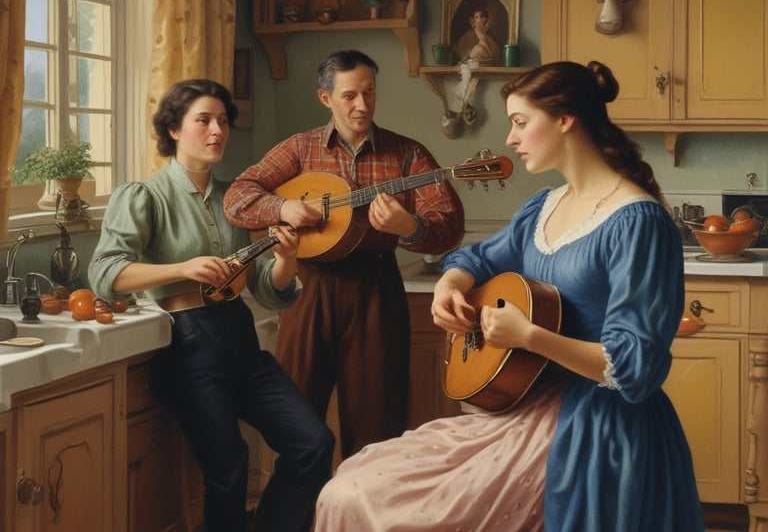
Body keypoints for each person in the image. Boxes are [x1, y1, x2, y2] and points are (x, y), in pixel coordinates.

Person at [314, 61, 705, 531]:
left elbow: (634, 368)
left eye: (520, 122)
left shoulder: (639, 223)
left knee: (383, 504)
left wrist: (529, 336)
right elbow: (477, 259)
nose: (510, 139)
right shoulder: (544, 206)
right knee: (349, 489)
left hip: (599, 428)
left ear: (565, 120)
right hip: (529, 406)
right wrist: (450, 285)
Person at [88, 79, 334, 532]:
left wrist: (286, 259)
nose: (217, 131)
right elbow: (105, 273)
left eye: (222, 121)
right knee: (229, 467)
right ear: (174, 129)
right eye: (203, 120)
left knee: (313, 442)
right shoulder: (144, 196)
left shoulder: (237, 200)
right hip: (185, 344)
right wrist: (183, 268)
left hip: (240, 336)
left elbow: (269, 291)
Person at [223, 50, 465, 459]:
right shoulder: (300, 149)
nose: (362, 105)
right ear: (326, 98)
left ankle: (367, 500)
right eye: (350, 95)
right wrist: (283, 207)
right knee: (296, 412)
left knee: (378, 417)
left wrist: (410, 227)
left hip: (376, 288)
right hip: (307, 287)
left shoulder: (407, 154)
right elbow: (237, 197)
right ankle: (299, 502)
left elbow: (450, 226)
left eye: (369, 92)